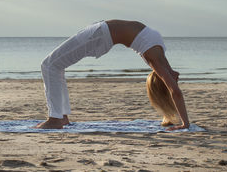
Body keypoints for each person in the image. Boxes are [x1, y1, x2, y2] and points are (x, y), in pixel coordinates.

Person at [35, 20, 189, 131]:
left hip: (100, 33)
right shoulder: (158, 59)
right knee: (54, 66)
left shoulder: (157, 50)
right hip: (99, 33)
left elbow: (174, 88)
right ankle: (61, 117)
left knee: (49, 65)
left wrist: (184, 124)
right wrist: (185, 122)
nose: (174, 79)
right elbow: (174, 87)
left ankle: (56, 119)